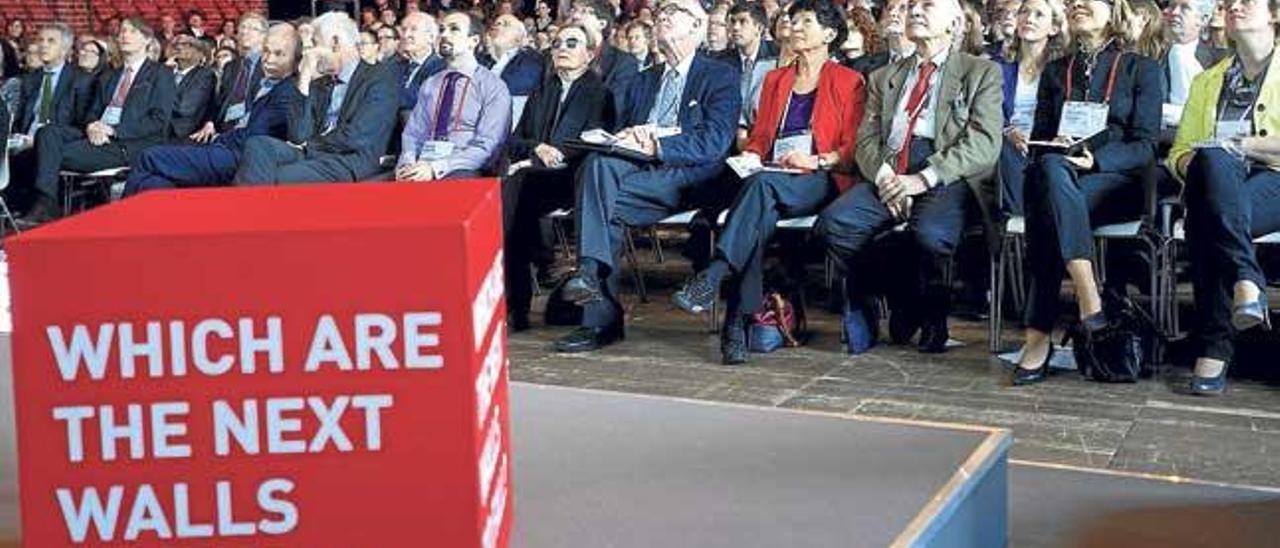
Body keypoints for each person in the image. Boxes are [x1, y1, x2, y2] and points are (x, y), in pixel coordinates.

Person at [672, 0, 865, 364]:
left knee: (759, 192)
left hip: (820, 175)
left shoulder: (849, 81)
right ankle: (735, 323)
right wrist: (752, 155)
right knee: (757, 216)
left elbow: (853, 148)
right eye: (794, 20)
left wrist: (816, 159)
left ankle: (715, 275)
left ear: (830, 34)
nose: (796, 26)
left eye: (807, 21)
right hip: (772, 175)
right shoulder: (776, 79)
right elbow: (761, 137)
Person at [815, 0, 1003, 355]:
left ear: (955, 21)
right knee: (834, 225)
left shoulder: (979, 72)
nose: (916, 10)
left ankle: (927, 305)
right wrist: (887, 178)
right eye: (913, 5)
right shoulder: (885, 77)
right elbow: (866, 140)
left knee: (930, 236)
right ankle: (895, 295)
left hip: (946, 172)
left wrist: (924, 179)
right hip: (890, 170)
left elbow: (984, 142)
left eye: (928, 5)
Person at [552, 0, 740, 353]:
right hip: (637, 170)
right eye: (662, 11)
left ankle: (597, 309)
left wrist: (656, 144)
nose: (663, 17)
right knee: (597, 166)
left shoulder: (719, 75)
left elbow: (715, 141)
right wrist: (625, 137)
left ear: (698, 28)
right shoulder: (643, 80)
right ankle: (591, 280)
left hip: (690, 174)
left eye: (675, 12)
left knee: (596, 200)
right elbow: (626, 132)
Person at [1012, 0, 1164, 385]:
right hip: (1061, 177)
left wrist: (1093, 161)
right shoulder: (1056, 71)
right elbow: (1038, 144)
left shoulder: (1140, 68)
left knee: (1046, 196)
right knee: (1048, 172)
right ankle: (1087, 293)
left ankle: (1038, 335)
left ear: (1115, 10)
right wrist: (1053, 145)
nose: (1078, 3)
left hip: (1116, 182)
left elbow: (1145, 147)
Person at [1167, 0, 1280, 395]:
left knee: (1208, 212)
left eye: (1246, 1)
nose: (1233, 6)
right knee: (1212, 168)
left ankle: (1216, 344)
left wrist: (1243, 144)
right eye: (1229, 2)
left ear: (1274, 13)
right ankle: (1247, 282)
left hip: (1276, 180)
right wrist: (1199, 164)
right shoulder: (1207, 81)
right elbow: (1178, 152)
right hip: (1218, 182)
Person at [503, 24, 610, 331]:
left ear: (589, 54)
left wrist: (556, 153)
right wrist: (537, 148)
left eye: (572, 43)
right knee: (514, 198)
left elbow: (595, 140)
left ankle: (516, 302)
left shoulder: (599, 93)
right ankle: (521, 295)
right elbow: (516, 139)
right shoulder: (542, 90)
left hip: (574, 177)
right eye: (557, 43)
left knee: (513, 195)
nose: (561, 48)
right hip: (534, 176)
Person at [19, 17, 175, 225]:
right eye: (122, 32)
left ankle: (45, 204)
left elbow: (158, 120)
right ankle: (47, 203)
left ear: (147, 40)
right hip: (96, 133)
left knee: (48, 153)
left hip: (128, 141)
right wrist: (92, 125)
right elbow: (92, 113)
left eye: (132, 31)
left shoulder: (160, 73)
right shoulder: (109, 76)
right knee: (47, 132)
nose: (124, 35)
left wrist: (113, 130)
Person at [123, 24, 303, 196]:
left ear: (295, 60)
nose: (269, 59)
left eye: (279, 54)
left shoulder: (287, 91)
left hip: (237, 157)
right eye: (266, 51)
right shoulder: (264, 83)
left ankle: (119, 222)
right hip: (225, 148)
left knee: (149, 156)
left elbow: (252, 136)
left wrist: (219, 138)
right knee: (154, 184)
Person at [232, 12, 398, 185]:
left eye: (316, 43)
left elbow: (359, 136)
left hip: (350, 159)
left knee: (280, 175)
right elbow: (298, 135)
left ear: (335, 43)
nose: (309, 51)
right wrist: (304, 77)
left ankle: (249, 209)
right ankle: (250, 209)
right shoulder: (321, 82)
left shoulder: (380, 77)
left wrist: (308, 146)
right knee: (258, 146)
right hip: (315, 153)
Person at [396, 11, 513, 181]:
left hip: (462, 167)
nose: (444, 35)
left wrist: (436, 168)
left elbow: (488, 146)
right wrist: (407, 163)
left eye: (454, 29)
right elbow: (413, 134)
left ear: (473, 41)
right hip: (422, 164)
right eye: (442, 29)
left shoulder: (493, 86)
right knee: (371, 192)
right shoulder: (430, 84)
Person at [4, 23, 95, 211]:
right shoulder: (30, 79)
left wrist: (37, 139)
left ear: (65, 49)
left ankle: (44, 207)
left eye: (51, 41)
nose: (43, 45)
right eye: (41, 40)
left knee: (44, 139)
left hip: (55, 141)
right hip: (23, 142)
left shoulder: (81, 80)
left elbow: (81, 126)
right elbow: (20, 120)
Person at [997, 0, 1068, 216]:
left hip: (1045, 144)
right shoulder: (996, 67)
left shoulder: (1065, 71)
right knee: (1003, 152)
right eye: (1024, 12)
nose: (1028, 19)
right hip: (1007, 145)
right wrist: (1007, 131)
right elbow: (986, 112)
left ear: (1054, 28)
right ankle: (1022, 225)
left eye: (1039, 15)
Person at [191, 13, 268, 143]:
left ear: (264, 36)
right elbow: (219, 100)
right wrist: (210, 122)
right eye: (242, 27)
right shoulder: (231, 66)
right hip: (223, 127)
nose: (245, 32)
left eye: (253, 28)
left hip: (250, 130)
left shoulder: (269, 65)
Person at [1161, 0, 1228, 129]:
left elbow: (1207, 116)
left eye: (1184, 8)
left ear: (1203, 19)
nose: (1174, 13)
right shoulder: (1151, 58)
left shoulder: (1220, 62)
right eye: (1172, 6)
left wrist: (1153, 110)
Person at [571, 0, 641, 99]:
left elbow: (614, 107)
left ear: (602, 24)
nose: (575, 16)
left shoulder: (624, 63)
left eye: (584, 12)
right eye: (573, 11)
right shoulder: (554, 55)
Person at [394, 12, 446, 117]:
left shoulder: (441, 68)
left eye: (413, 29)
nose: (406, 35)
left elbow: (420, 100)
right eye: (403, 29)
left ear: (430, 37)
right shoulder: (395, 66)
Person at [846, 0, 915, 76]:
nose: (892, 13)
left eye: (902, 8)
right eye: (889, 8)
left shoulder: (924, 60)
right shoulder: (862, 67)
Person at [167, 34, 217, 141]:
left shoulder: (204, 75)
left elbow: (185, 108)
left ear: (200, 54)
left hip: (180, 135)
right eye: (177, 44)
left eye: (187, 44)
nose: (179, 47)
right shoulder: (164, 72)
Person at [484, 13, 546, 98]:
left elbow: (514, 91)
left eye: (505, 24)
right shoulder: (481, 59)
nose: (497, 27)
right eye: (495, 24)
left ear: (519, 38)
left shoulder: (530, 59)